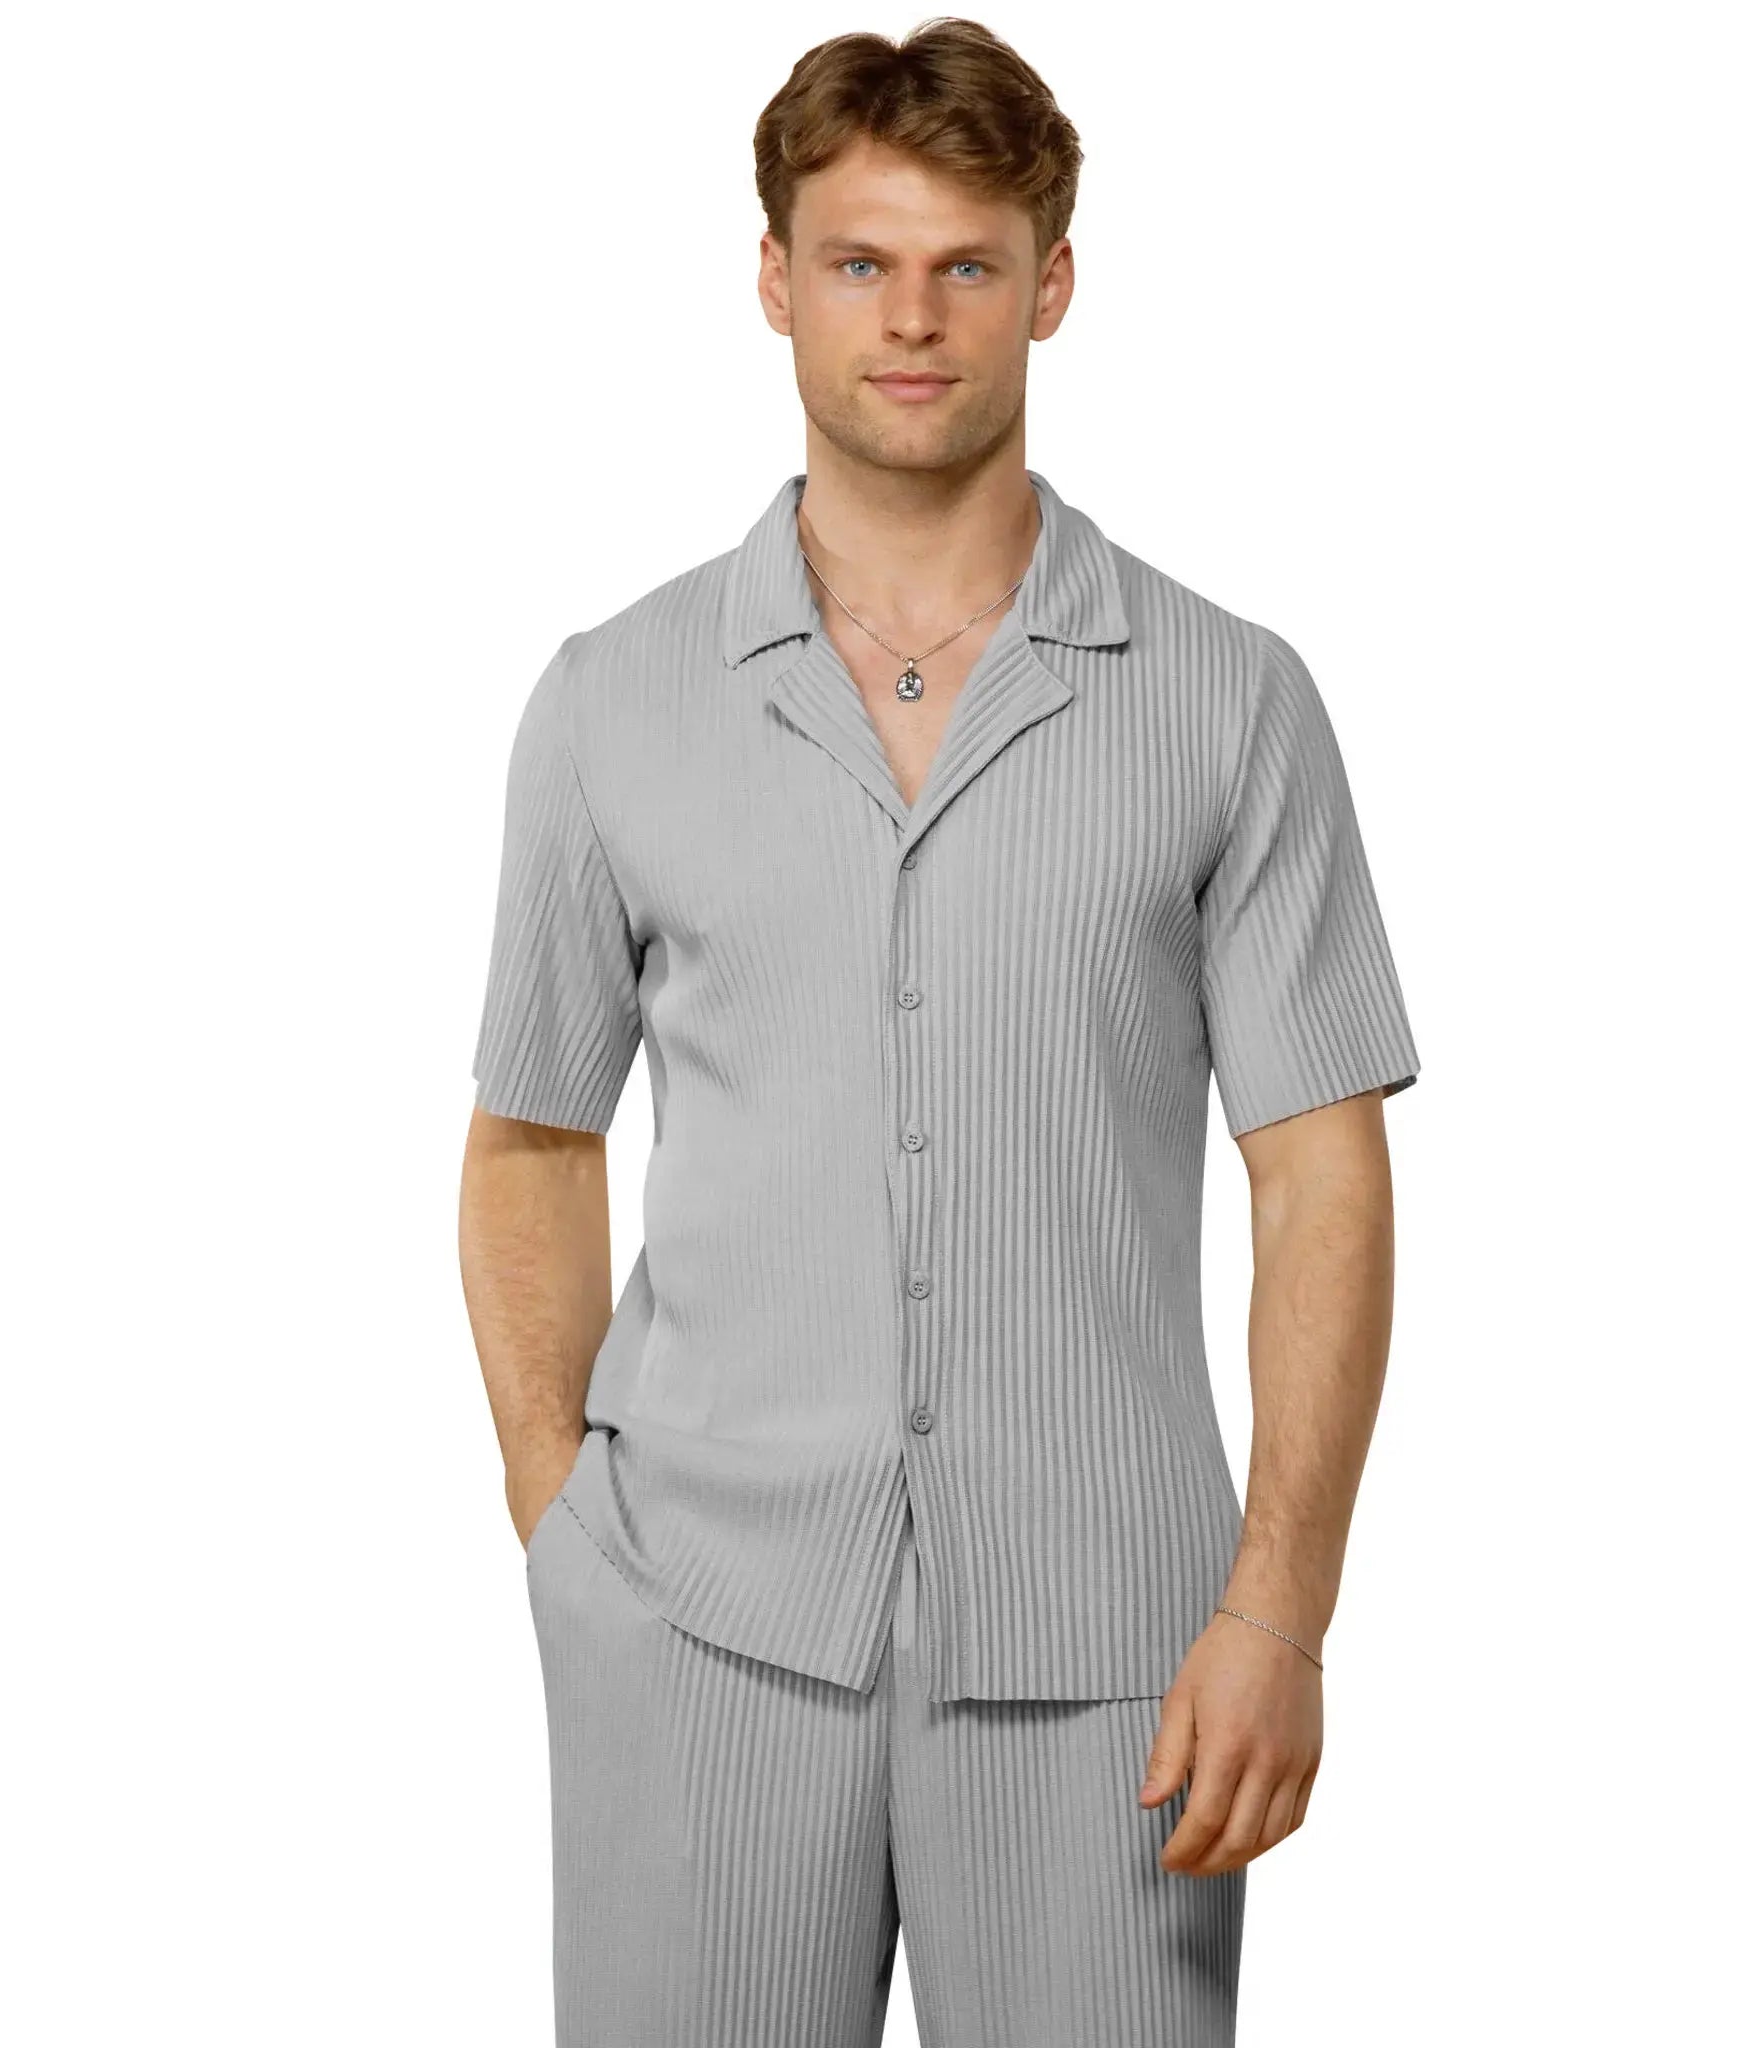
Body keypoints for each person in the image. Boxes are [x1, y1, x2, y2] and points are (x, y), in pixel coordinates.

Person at [457, 19, 1420, 2047]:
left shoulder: (1229, 699)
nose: (911, 318)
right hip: (694, 1627)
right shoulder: (612, 700)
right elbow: (531, 1138)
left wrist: (1281, 1605)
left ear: (1051, 285)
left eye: (966, 265)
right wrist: (568, 1530)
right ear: (774, 279)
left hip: (1119, 1651)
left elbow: (1319, 1176)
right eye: (860, 262)